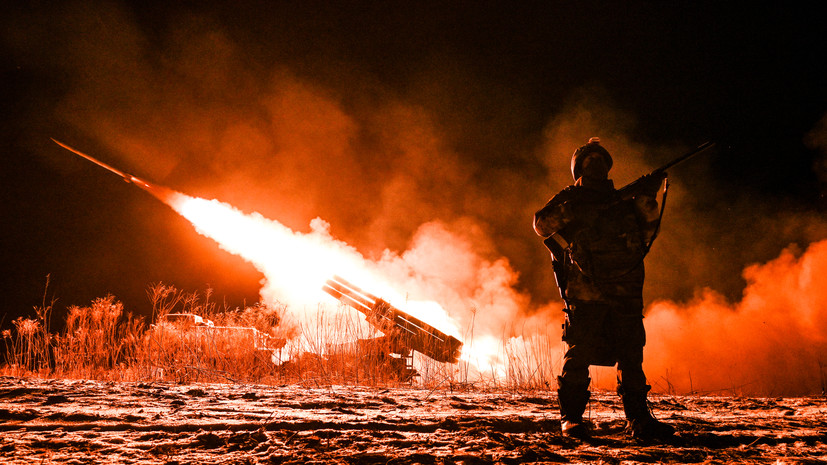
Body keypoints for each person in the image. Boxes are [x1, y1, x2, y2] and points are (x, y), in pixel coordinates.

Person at [533, 137, 674, 440]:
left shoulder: (625, 200)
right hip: (586, 289)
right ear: (578, 167)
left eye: (600, 159)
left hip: (625, 289)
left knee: (631, 355)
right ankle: (571, 420)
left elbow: (648, 232)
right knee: (579, 352)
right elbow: (541, 224)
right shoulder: (571, 197)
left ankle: (638, 420)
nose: (595, 164)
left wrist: (647, 199)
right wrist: (575, 211)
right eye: (588, 160)